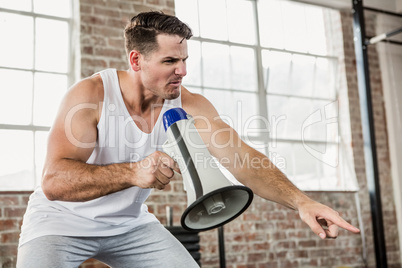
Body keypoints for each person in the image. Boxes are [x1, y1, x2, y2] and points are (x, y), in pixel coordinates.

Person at [17, 11, 360, 268]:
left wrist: (302, 202)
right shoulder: (91, 94)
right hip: (60, 222)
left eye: (184, 60)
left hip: (130, 226)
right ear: (136, 60)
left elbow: (241, 158)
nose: (182, 71)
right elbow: (54, 181)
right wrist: (133, 173)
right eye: (169, 61)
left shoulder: (189, 103)